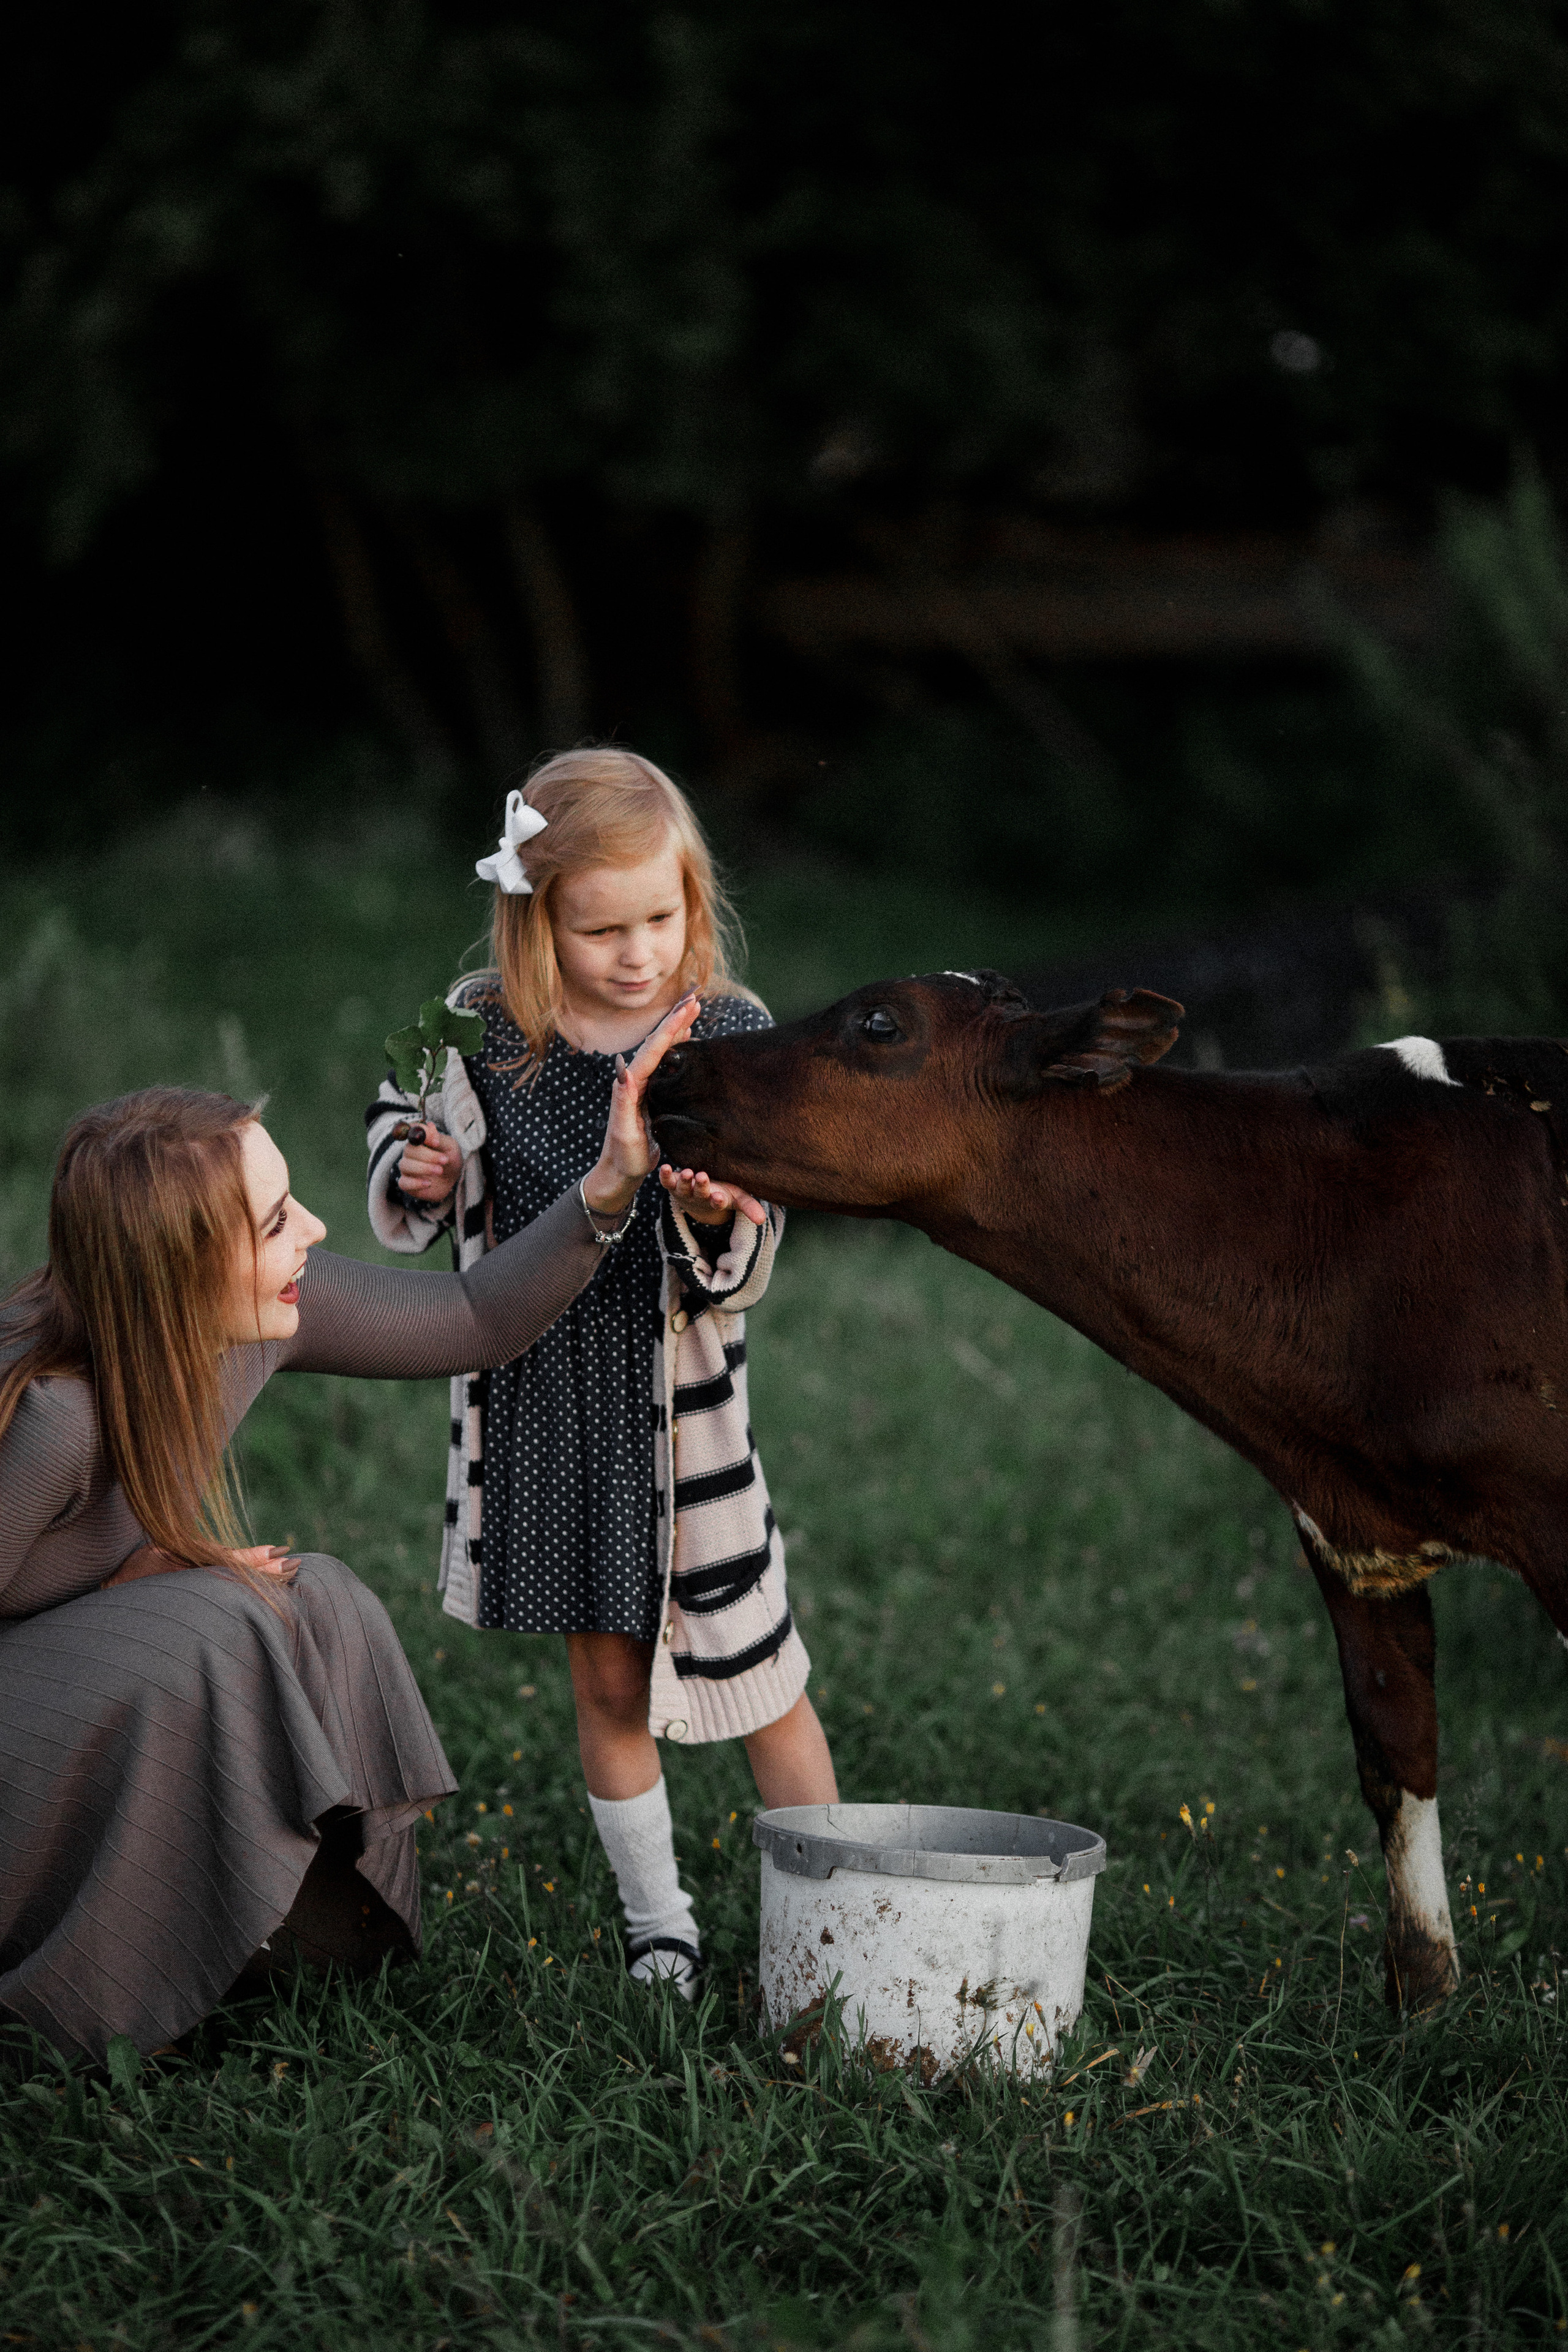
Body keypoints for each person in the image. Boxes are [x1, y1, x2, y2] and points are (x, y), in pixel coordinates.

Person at [0, 1001, 691, 2064]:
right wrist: (147, 1580)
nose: (314, 1230)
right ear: (179, 1267)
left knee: (311, 1595)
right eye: (275, 1221)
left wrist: (609, 1187)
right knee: (217, 1628)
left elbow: (476, 1319)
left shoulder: (264, 1310)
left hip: (58, 1672)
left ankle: (291, 1946)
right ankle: (79, 2004)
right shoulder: (54, 1417)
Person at [366, 747, 837, 1997]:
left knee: (763, 1675)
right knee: (608, 1678)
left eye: (660, 918)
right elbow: (400, 1115)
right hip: (543, 1403)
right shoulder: (481, 1028)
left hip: (680, 1422)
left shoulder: (722, 1035)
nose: (636, 954)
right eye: (600, 930)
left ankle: (833, 1931)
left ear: (693, 899)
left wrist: (729, 1209)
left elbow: (760, 1229)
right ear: (536, 922)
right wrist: (416, 1165)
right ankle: (658, 1928)